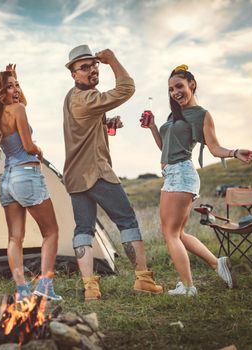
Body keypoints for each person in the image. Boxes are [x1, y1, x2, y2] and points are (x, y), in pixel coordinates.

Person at [143, 64, 252, 296]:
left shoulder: (201, 114)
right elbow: (165, 148)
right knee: (178, 233)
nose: (175, 92)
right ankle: (217, 264)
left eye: (179, 86)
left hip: (182, 175)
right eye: (171, 89)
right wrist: (154, 127)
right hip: (172, 175)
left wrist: (234, 152)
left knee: (171, 235)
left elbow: (214, 147)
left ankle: (188, 287)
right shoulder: (174, 115)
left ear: (191, 85)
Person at [63, 44, 163, 301]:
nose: (92, 69)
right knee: (127, 220)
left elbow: (82, 127)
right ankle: (143, 279)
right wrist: (113, 60)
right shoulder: (86, 98)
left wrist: (106, 123)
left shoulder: (73, 97)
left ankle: (90, 288)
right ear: (74, 74)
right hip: (97, 173)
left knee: (83, 229)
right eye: (84, 67)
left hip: (75, 176)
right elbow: (126, 88)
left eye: (94, 64)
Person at [0, 65, 62, 301]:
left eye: (17, 85)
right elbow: (28, 146)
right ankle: (45, 287)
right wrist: (39, 150)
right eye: (10, 87)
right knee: (51, 232)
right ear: (1, 91)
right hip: (26, 174)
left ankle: (22, 290)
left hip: (6, 180)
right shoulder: (17, 109)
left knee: (14, 238)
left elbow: (21, 100)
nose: (16, 90)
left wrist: (13, 80)